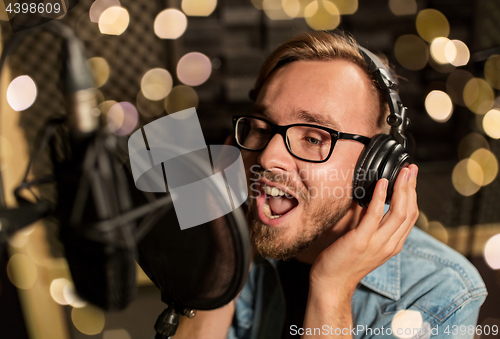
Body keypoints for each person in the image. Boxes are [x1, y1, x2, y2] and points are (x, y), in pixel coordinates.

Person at [173, 31, 487, 339]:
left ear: (376, 167)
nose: (268, 157)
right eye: (260, 128)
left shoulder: (442, 290)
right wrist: (225, 255)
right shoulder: (229, 245)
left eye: (313, 138)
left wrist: (332, 290)